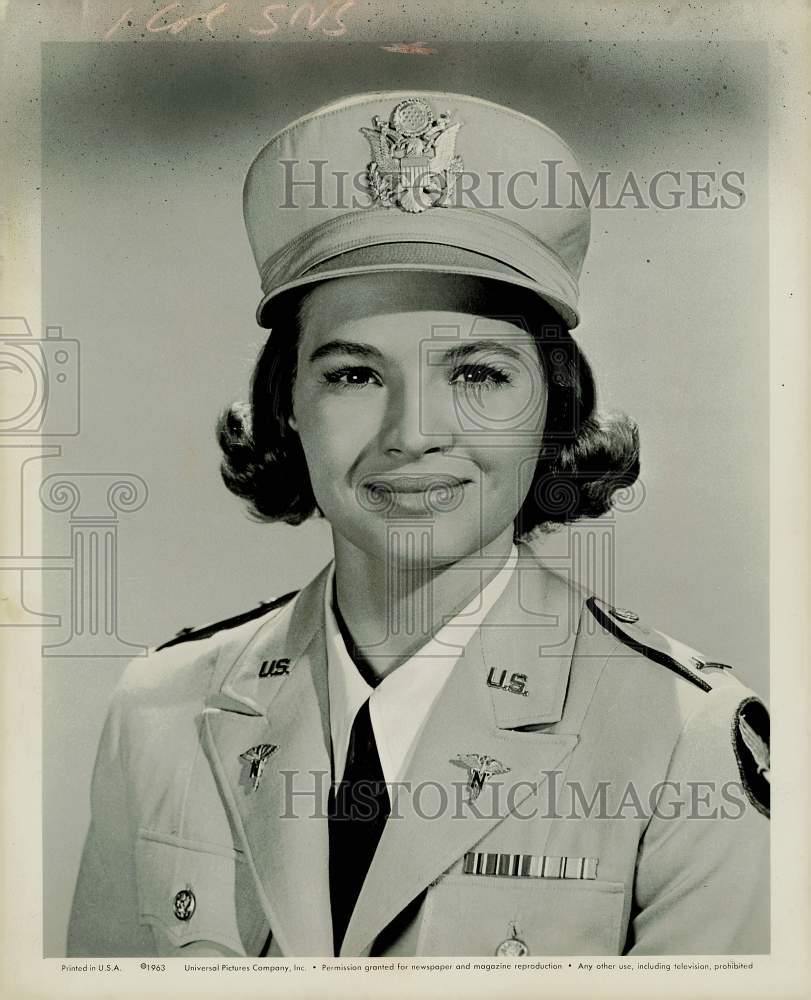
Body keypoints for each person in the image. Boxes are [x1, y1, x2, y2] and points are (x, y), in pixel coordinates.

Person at [67, 92, 769, 958]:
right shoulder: (160, 710)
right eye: (354, 376)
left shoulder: (681, 738)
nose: (411, 433)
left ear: (553, 406)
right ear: (284, 407)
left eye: (478, 373)